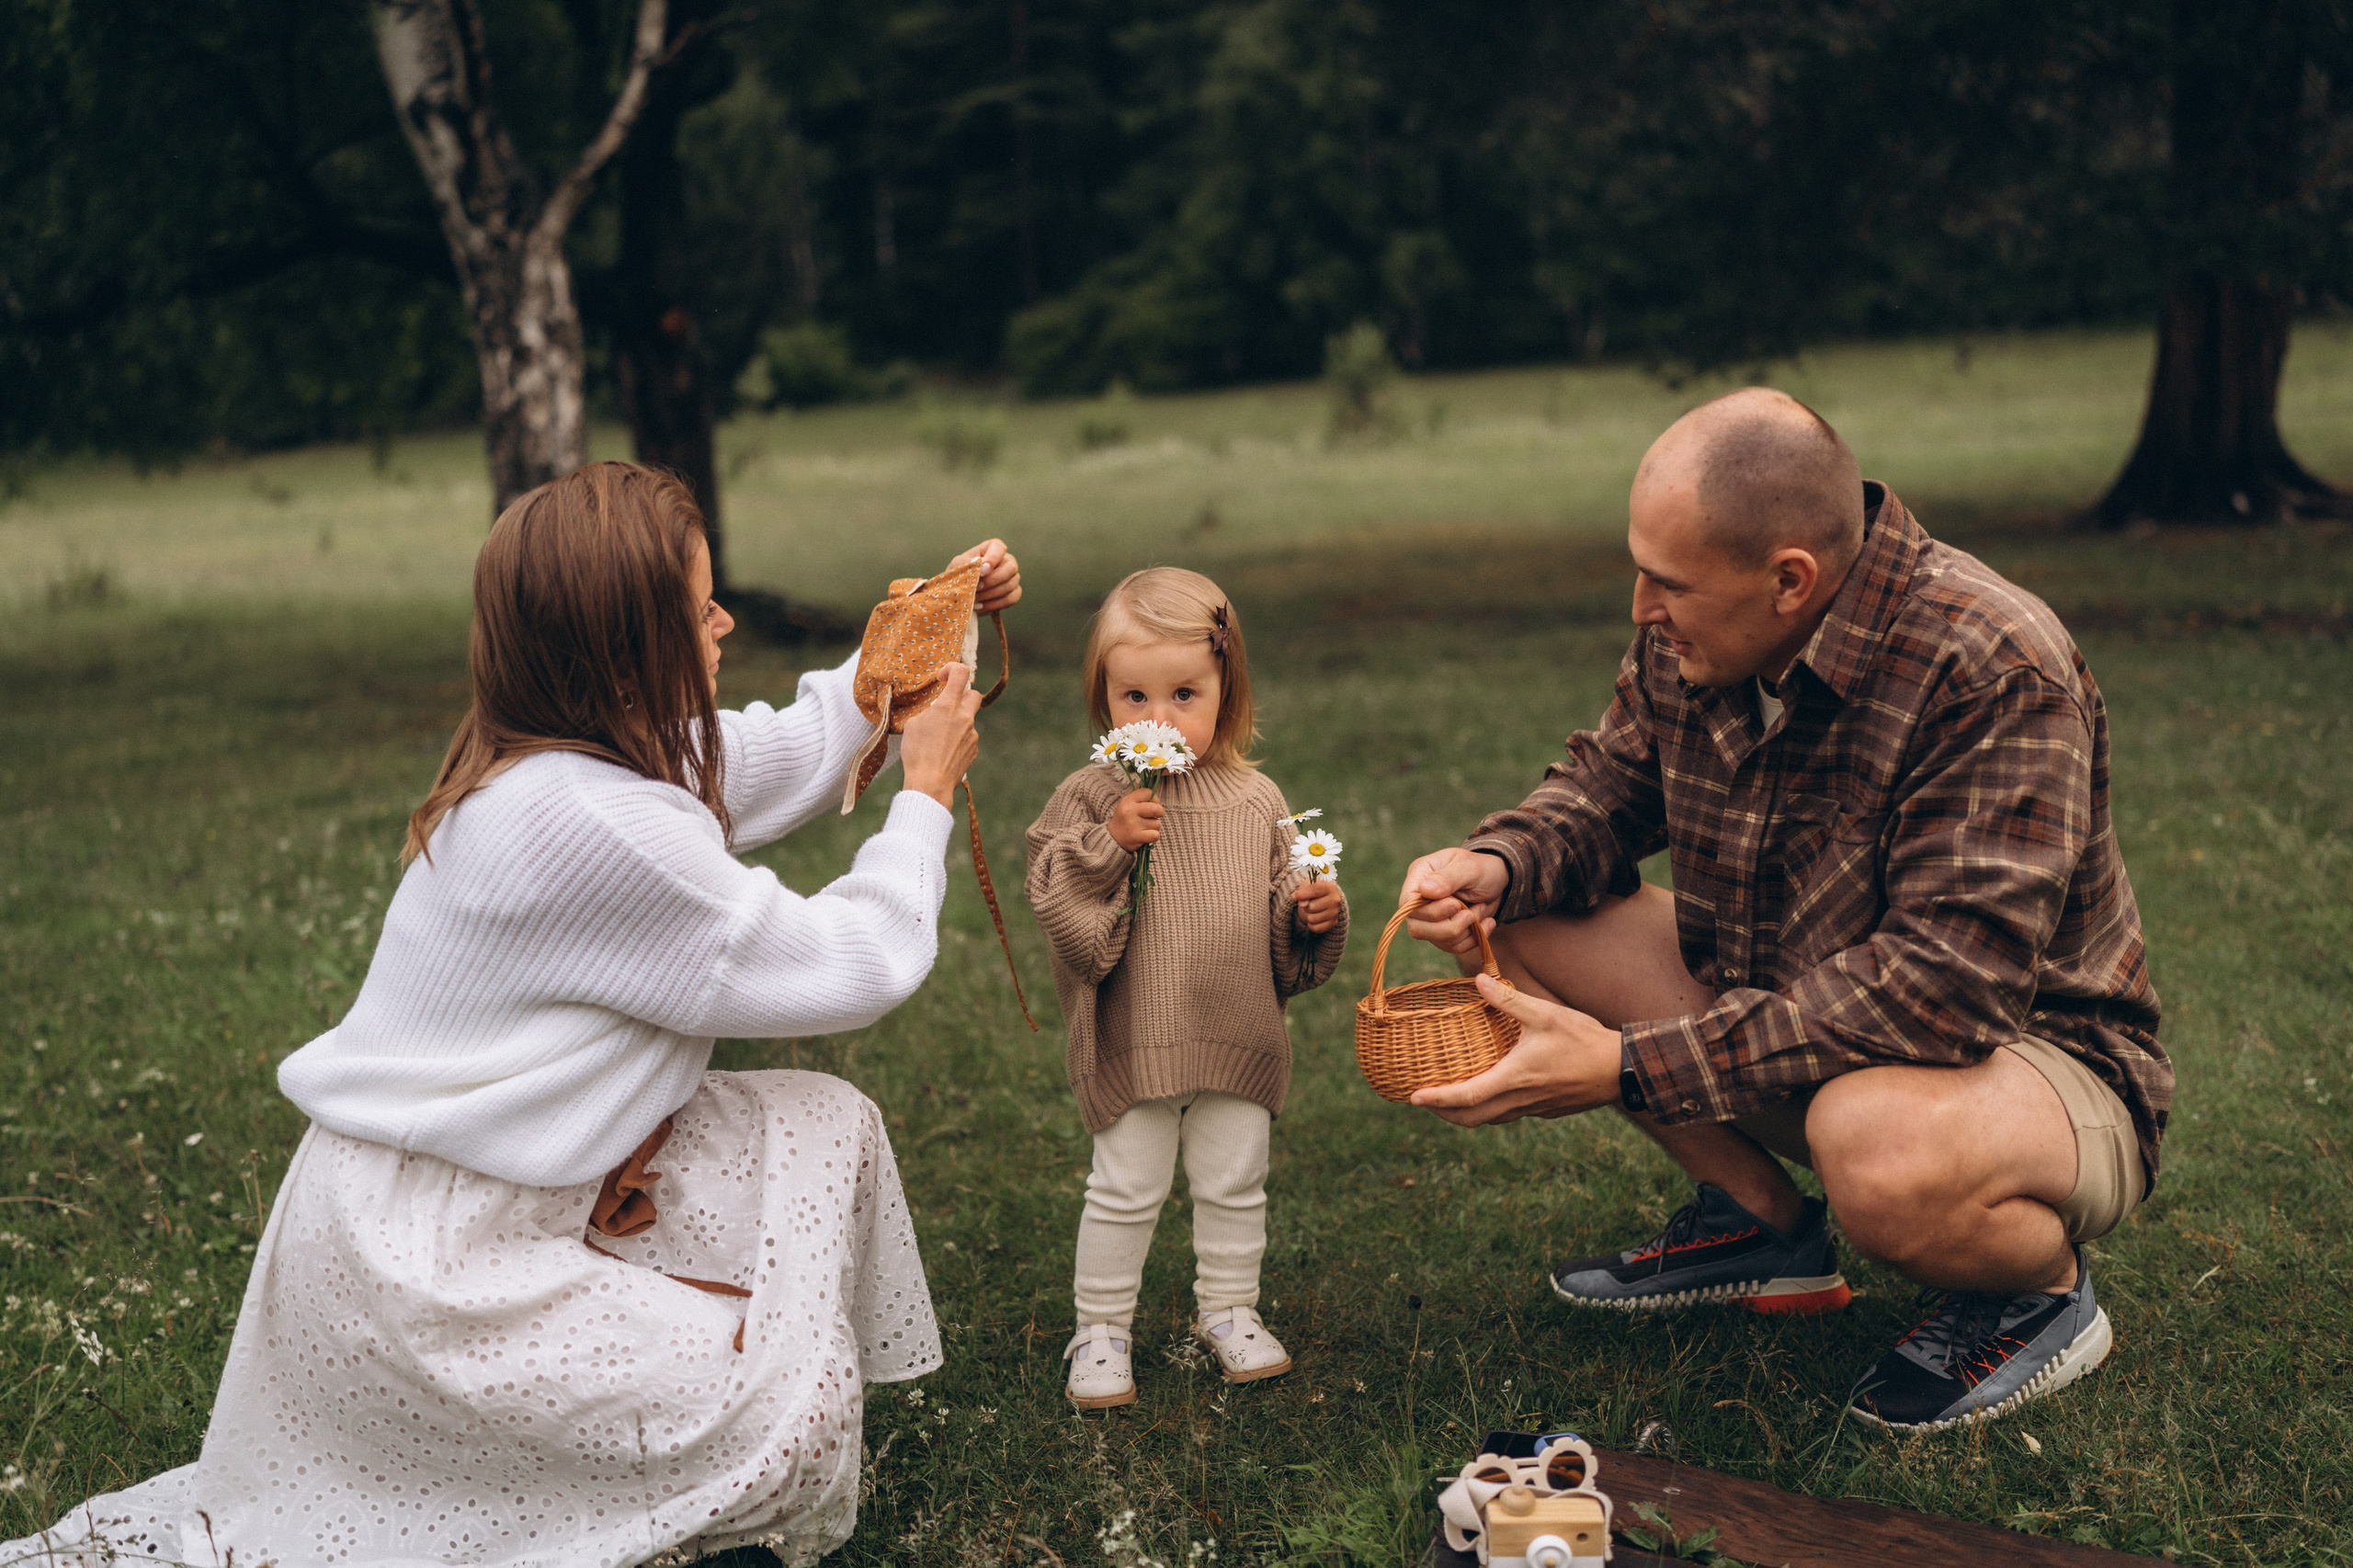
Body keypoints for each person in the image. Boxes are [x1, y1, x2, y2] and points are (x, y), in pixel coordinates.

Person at [4, 462, 1021, 1567]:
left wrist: (938, 617)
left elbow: (771, 746)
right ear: (630, 649)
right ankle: (662, 1496)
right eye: (699, 606)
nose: (725, 619)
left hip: (466, 1193)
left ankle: (644, 1394)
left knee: (819, 1126)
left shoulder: (581, 753)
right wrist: (920, 797)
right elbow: (853, 962)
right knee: (792, 1396)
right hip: (425, 1267)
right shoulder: (588, 817)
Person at [1396, 390, 2170, 1434]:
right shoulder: (1703, 639)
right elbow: (1606, 790)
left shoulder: (1990, 661)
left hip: (2033, 1066)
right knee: (1528, 909)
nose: (1638, 608)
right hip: (1801, 1020)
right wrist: (1494, 861)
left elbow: (1943, 990)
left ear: (1789, 579)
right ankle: (1760, 1229)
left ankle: (2036, 1293)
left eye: (1664, 581)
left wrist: (1626, 1065)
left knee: (1872, 1143)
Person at [1025, 568, 1347, 1410]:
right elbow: (1057, 898)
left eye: (1183, 694)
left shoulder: (1255, 801)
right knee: (1126, 1186)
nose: (1158, 720)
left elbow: (1287, 942)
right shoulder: (1095, 795)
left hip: (1235, 1028)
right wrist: (1109, 843)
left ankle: (1229, 1309)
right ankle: (1100, 1328)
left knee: (1235, 1179)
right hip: (1138, 1032)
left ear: (1224, 692)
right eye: (1133, 696)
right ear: (1102, 698)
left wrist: (1312, 913)